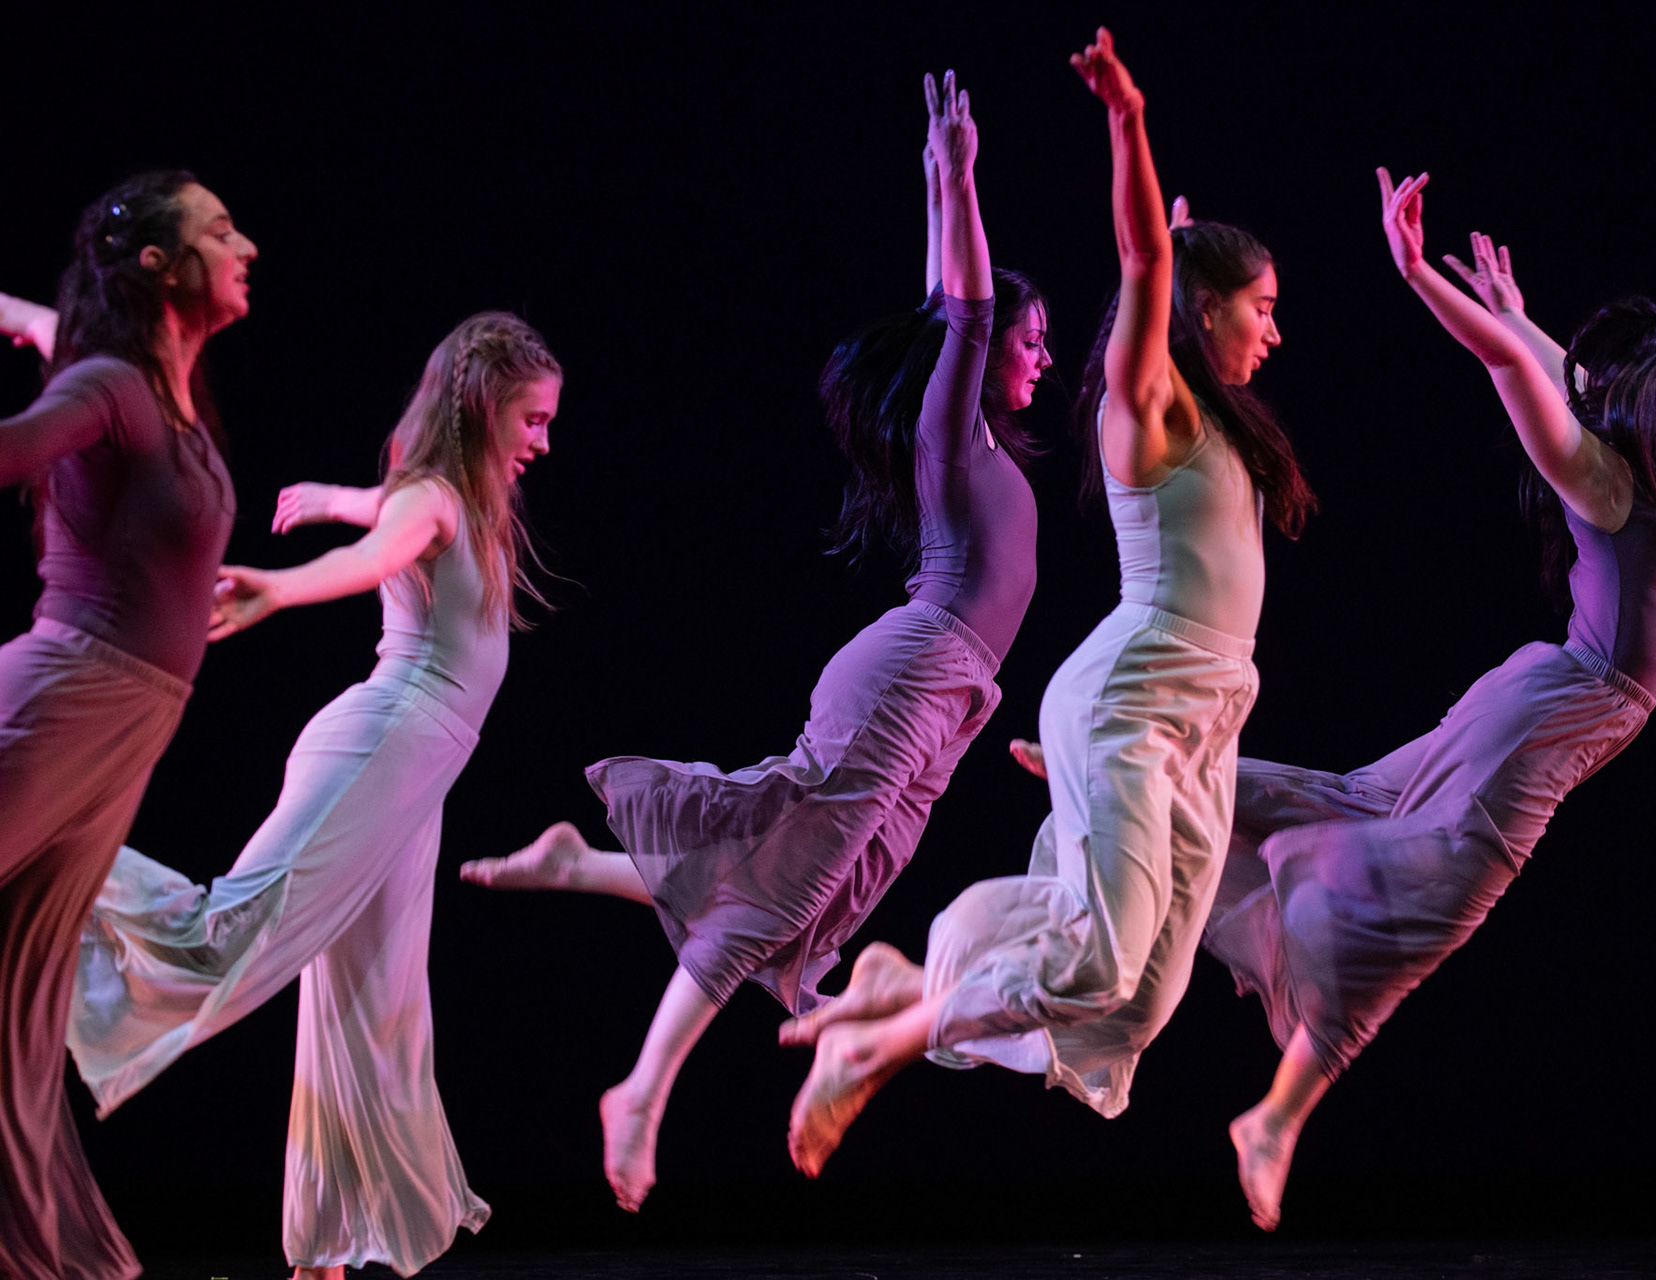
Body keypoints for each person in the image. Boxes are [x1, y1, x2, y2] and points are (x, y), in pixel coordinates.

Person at [456, 69, 1049, 1212]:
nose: (1041, 358)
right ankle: (638, 1092)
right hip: (911, 670)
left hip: (950, 699)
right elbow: (962, 314)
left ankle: (579, 864)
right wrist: (962, 179)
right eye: (1032, 339)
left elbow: (951, 308)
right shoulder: (949, 425)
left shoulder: (975, 438)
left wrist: (939, 179)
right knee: (779, 898)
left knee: (827, 901)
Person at [781, 28, 1315, 1179]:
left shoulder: (1217, 419)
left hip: (1198, 716)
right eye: (1260, 304)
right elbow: (1139, 267)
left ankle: (906, 982)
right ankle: (883, 1039)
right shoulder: (1148, 404)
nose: (1276, 327)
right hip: (1139, 688)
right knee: (1100, 964)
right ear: (1204, 306)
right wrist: (1125, 118)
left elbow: (1159, 251)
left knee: (1144, 997)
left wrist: (1176, 229)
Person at [1199, 182, 1656, 1231]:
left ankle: (1150, 774)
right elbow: (1517, 372)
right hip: (1552, 716)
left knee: (1361, 805)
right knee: (1434, 899)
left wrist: (1515, 308)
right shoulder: (1608, 484)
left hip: (1543, 704)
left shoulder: (1655, 475)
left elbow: (1570, 373)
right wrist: (1419, 279)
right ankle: (1272, 1119)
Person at [66, 311, 561, 1279]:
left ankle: (327, 1247)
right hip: (381, 744)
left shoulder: (451, 495)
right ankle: (58, 864)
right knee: (230, 935)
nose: (543, 440)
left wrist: (338, 494)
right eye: (532, 419)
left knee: (374, 1007)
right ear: (481, 408)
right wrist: (286, 587)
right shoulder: (433, 497)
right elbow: (376, 554)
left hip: (417, 773)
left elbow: (388, 514)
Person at [0, 170, 251, 1280]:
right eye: (221, 229)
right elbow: (22, 440)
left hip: (125, 724)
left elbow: (58, 332)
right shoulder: (110, 383)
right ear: (161, 263)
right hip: (66, 698)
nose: (246, 245)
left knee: (18, 1000)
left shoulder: (160, 387)